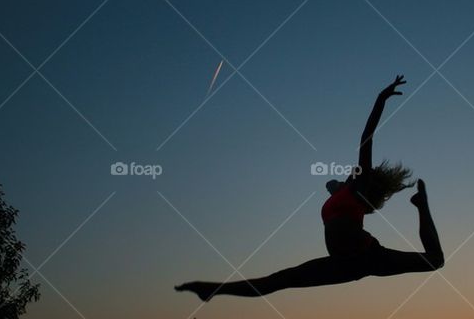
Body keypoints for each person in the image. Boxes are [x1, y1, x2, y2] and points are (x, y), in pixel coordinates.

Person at [175, 75, 444, 301]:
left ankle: (422, 205)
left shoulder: (359, 189)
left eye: (355, 172)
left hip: (368, 257)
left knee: (434, 260)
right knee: (277, 281)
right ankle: (211, 289)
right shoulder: (342, 192)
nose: (352, 170)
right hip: (341, 264)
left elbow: (366, 138)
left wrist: (380, 99)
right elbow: (331, 184)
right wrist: (338, 184)